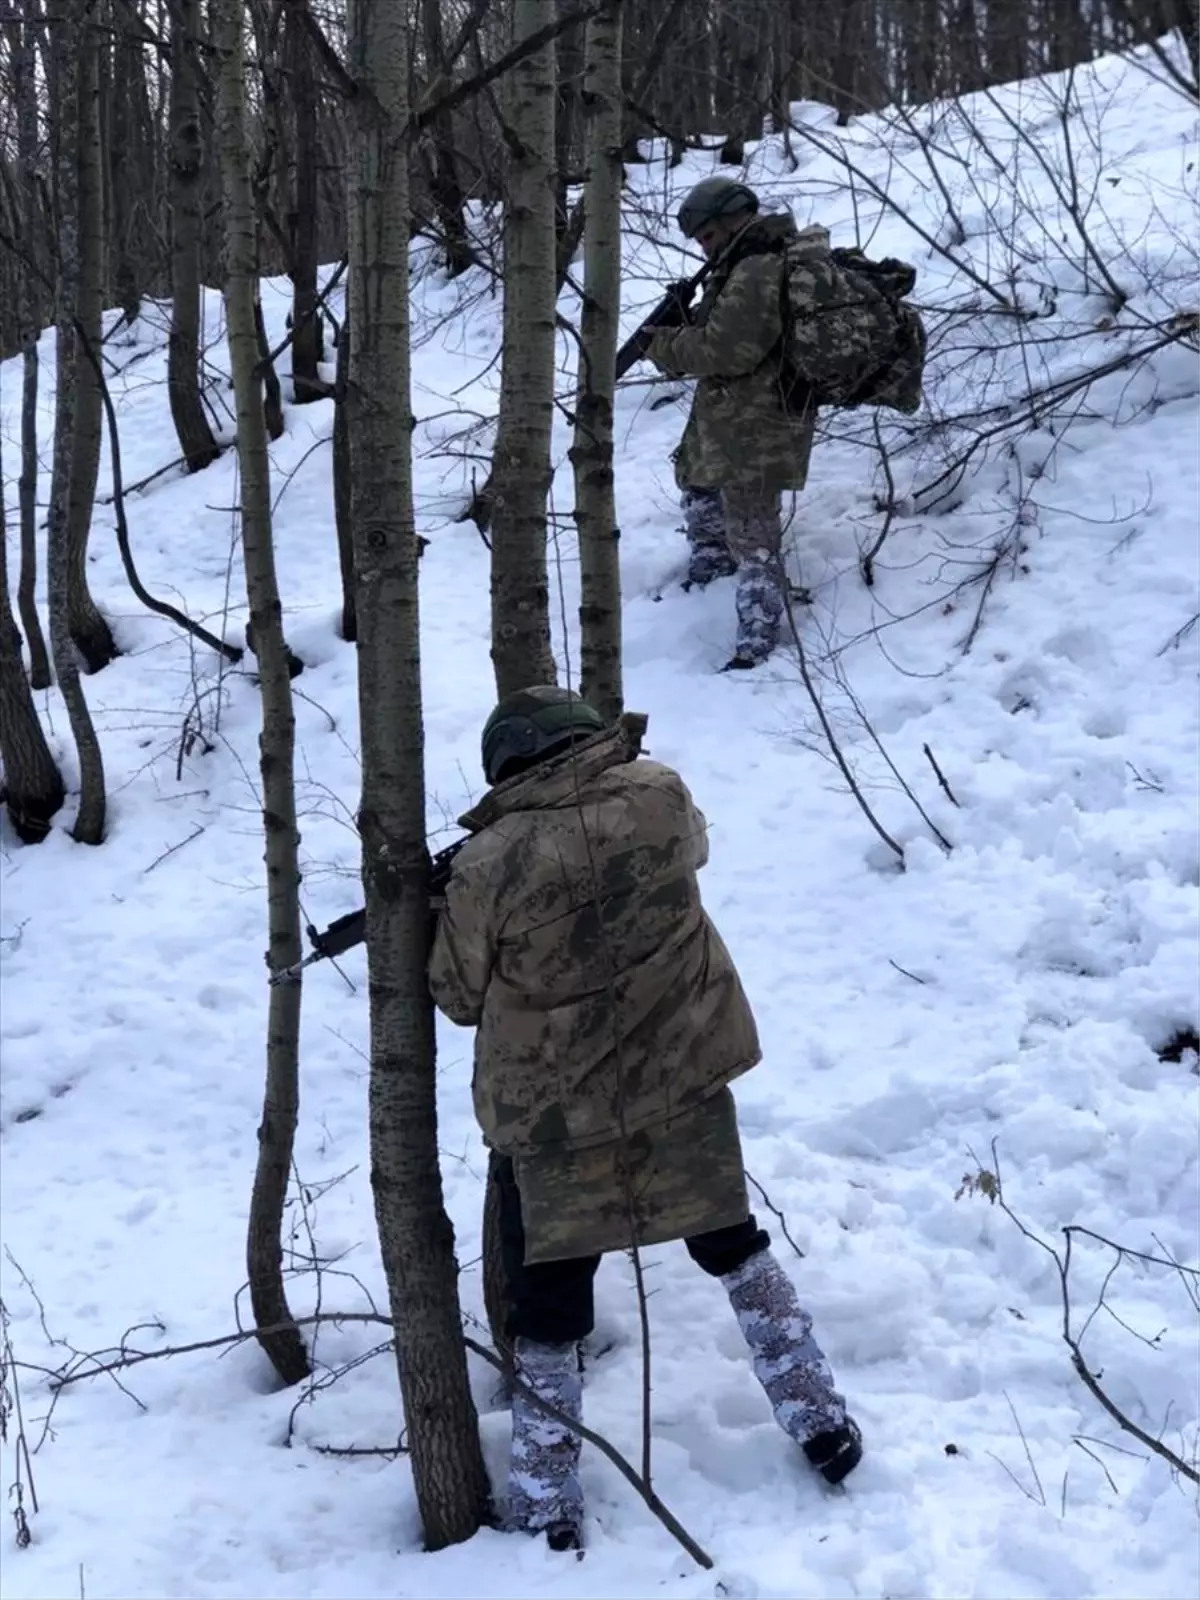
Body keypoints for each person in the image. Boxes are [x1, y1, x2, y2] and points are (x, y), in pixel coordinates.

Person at [429, 686, 862, 1553]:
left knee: (547, 1305)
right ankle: (820, 1421)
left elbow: (455, 994)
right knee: (734, 1246)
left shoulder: (486, 865)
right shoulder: (661, 794)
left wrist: (443, 909)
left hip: (556, 1120)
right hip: (682, 1080)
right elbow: (683, 853)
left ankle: (547, 1506)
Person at [643, 177, 823, 671]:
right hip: (731, 410)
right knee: (697, 479)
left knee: (753, 535)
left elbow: (727, 349)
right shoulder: (741, 267)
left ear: (733, 220)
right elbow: (716, 331)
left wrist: (663, 346)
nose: (705, 246)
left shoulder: (760, 268)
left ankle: (758, 645)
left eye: (708, 235)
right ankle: (709, 564)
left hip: (760, 419)